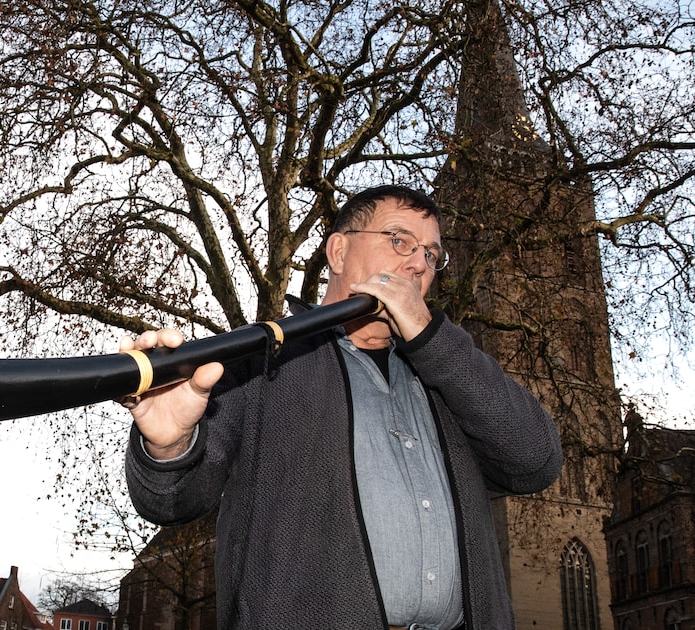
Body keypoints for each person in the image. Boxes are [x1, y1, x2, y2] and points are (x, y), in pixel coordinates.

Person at [120, 185, 562, 629]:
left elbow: (535, 462)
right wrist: (169, 447)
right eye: (400, 240)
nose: (418, 264)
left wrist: (433, 339)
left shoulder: (450, 372)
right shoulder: (259, 361)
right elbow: (172, 502)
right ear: (338, 251)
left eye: (431, 255)